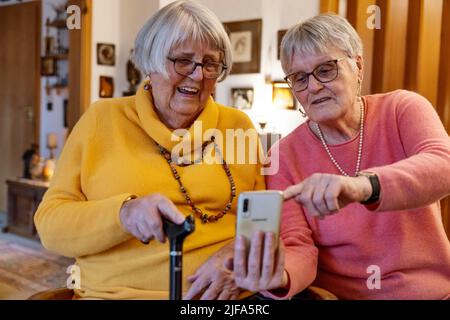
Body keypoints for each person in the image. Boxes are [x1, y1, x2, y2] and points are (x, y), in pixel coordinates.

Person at [34, 0, 282, 300]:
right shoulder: (102, 120)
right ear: (150, 62)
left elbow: (263, 224)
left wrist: (234, 255)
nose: (198, 74)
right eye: (182, 60)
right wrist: (123, 214)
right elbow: (50, 225)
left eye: (210, 63)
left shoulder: (238, 126)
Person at [265, 13, 450, 300]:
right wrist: (281, 276)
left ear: (358, 66)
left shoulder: (402, 109)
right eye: (299, 78)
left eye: (326, 70)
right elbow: (296, 245)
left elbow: (443, 165)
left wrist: (363, 187)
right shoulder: (282, 156)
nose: (313, 87)